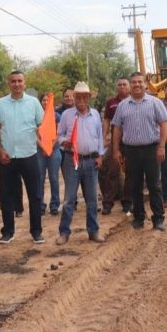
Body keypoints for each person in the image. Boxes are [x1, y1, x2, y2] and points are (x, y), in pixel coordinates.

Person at [0, 70, 45, 244]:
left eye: (19, 81)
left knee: (35, 195)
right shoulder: (0, 103)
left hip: (29, 154)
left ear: (25, 83)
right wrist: (0, 150)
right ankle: (8, 231)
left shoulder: (34, 102)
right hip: (7, 156)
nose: (16, 84)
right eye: (13, 81)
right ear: (9, 84)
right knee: (6, 195)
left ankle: (36, 231)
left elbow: (42, 126)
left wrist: (45, 145)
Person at [111, 72, 167, 231]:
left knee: (154, 185)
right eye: (134, 82)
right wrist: (116, 150)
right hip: (131, 151)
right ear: (130, 86)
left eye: (139, 82)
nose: (137, 85)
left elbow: (164, 125)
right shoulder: (123, 106)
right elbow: (117, 129)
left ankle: (158, 219)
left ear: (145, 84)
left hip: (151, 149)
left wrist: (162, 147)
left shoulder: (155, 103)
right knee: (134, 185)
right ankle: (138, 218)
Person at [55, 82, 105, 245]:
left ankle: (93, 231)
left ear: (89, 98)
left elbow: (99, 137)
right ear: (75, 98)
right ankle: (64, 232)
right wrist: (64, 142)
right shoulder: (67, 115)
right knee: (69, 199)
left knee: (92, 199)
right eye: (78, 97)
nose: (81, 100)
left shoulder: (96, 114)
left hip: (91, 160)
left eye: (85, 97)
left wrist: (100, 155)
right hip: (71, 160)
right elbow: (59, 135)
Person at [98, 77, 131, 215]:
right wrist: (104, 136)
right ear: (116, 87)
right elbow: (106, 120)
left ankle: (127, 203)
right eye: (119, 85)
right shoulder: (111, 103)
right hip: (115, 142)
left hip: (131, 143)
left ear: (129, 87)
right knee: (113, 171)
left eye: (124, 84)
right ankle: (108, 204)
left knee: (130, 173)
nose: (122, 87)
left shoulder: (134, 101)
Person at [37, 93, 61, 216]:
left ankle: (54, 205)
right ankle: (40, 205)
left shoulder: (56, 116)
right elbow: (34, 134)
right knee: (40, 179)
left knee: (54, 178)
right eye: (43, 100)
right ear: (40, 102)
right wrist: (43, 147)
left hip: (54, 150)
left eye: (47, 100)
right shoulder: (36, 116)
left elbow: (59, 133)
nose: (46, 102)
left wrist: (50, 147)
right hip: (40, 151)